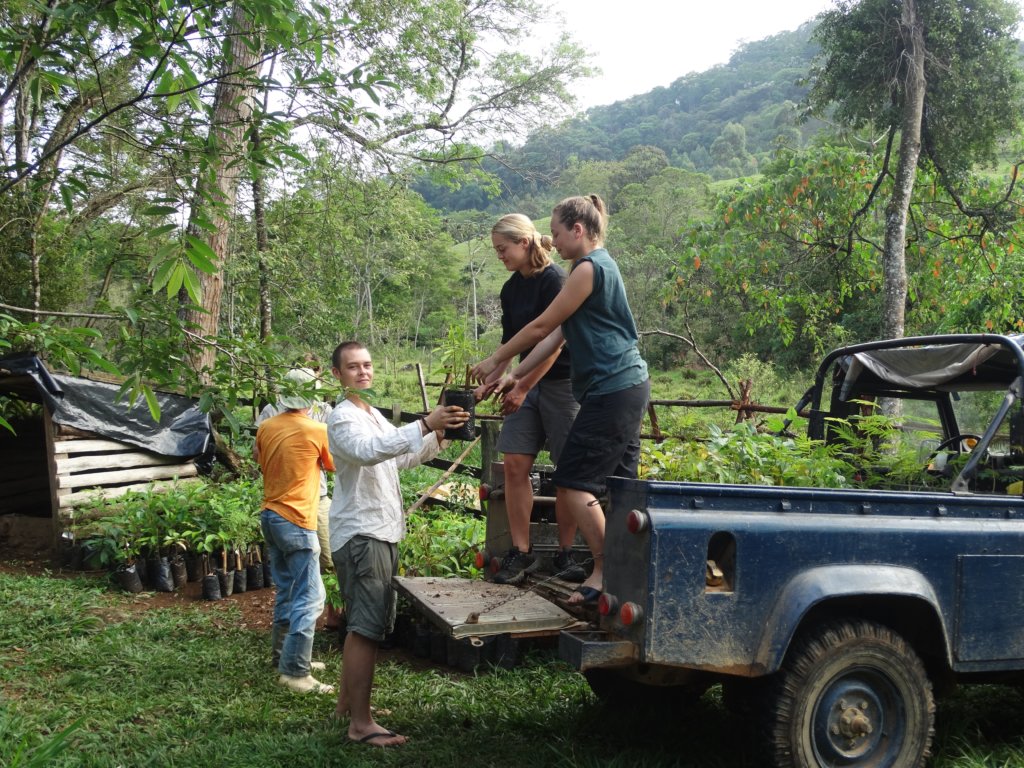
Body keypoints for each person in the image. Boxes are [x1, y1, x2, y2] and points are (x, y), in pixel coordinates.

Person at [472, 195, 650, 606]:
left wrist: (497, 359)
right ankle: (626, 571)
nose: (551, 240)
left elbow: (541, 327)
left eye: (554, 232)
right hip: (621, 386)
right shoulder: (590, 269)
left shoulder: (588, 269)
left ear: (578, 230)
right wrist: (515, 375)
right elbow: (557, 336)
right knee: (621, 487)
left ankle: (606, 568)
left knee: (571, 484)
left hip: (613, 387)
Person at [327, 340, 469, 746]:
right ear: (337, 375)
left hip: (380, 530)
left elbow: (398, 457)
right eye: (353, 367)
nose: (363, 372)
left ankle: (347, 706)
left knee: (363, 623)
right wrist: (425, 422)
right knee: (367, 629)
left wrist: (439, 435)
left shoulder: (370, 414)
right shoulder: (343, 418)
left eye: (368, 365)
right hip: (363, 532)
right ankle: (361, 724)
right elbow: (367, 452)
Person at [474, 213, 584, 585]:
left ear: (524, 243)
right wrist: (490, 380)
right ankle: (521, 553)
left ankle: (566, 553)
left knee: (568, 470)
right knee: (515, 464)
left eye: (502, 249)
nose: (499, 256)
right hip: (525, 382)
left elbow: (553, 345)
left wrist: (519, 387)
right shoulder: (510, 289)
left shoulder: (555, 281)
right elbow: (510, 346)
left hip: (562, 383)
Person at [255, 373, 337, 694]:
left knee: (288, 590)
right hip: (298, 519)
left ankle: (283, 657)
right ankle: (295, 672)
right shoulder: (317, 430)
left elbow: (259, 460)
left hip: (271, 516)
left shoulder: (266, 426)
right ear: (311, 398)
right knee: (311, 597)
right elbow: (331, 466)